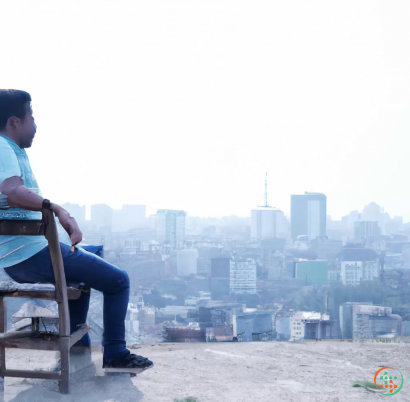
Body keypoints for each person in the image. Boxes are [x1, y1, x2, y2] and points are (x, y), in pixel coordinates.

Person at [0, 89, 153, 371]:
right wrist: (57, 209)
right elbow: (11, 191)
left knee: (94, 253)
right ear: (15, 122)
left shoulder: (11, 150)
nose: (36, 124)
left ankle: (77, 349)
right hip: (30, 256)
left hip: (22, 255)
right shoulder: (3, 148)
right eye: (31, 116)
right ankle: (115, 355)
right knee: (119, 281)